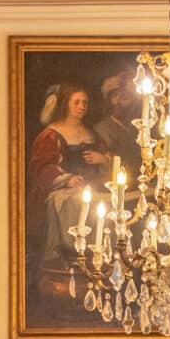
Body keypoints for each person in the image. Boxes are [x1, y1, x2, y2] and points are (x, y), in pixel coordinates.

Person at [26, 83, 111, 284]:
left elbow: (110, 159)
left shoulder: (91, 133)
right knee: (70, 203)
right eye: (77, 102)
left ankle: (97, 264)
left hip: (91, 189)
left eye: (85, 103)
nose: (82, 107)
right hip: (59, 192)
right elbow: (41, 168)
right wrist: (68, 179)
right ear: (65, 104)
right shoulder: (50, 134)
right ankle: (69, 263)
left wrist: (103, 159)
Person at [93, 71, 142, 168]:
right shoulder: (102, 129)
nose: (118, 101)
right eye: (115, 96)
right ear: (109, 100)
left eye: (125, 97)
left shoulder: (141, 125)